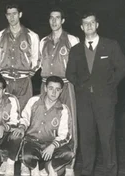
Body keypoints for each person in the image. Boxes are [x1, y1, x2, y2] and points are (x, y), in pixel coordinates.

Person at [66, 12, 125, 176]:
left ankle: (110, 172)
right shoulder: (75, 50)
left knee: (107, 139)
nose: (89, 26)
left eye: (92, 22)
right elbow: (69, 74)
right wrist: (81, 85)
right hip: (84, 101)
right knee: (87, 140)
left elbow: (123, 67)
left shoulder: (111, 45)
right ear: (81, 27)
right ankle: (87, 172)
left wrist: (110, 84)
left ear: (97, 25)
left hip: (105, 101)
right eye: (85, 23)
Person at [39, 7, 79, 176]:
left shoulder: (72, 39)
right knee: (45, 124)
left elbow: (79, 67)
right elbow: (38, 64)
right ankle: (47, 164)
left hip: (65, 85)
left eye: (57, 18)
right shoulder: (43, 41)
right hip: (46, 86)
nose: (54, 21)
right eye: (51, 18)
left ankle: (69, 165)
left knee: (70, 125)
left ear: (63, 20)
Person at [15, 76, 73, 176]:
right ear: (45, 88)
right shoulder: (34, 101)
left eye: (57, 89)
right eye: (51, 88)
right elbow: (25, 118)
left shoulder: (63, 109)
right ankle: (34, 167)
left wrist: (52, 146)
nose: (54, 92)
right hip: (32, 142)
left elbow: (65, 135)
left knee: (69, 154)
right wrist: (22, 127)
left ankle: (48, 168)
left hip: (50, 145)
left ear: (61, 91)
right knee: (26, 157)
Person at [0, 3, 40, 109]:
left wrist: (27, 75)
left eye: (14, 14)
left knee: (24, 113)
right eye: (9, 14)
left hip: (24, 82)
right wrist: (4, 73)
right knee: (6, 112)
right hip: (6, 81)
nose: (12, 17)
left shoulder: (32, 36)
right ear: (6, 16)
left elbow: (36, 59)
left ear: (20, 14)